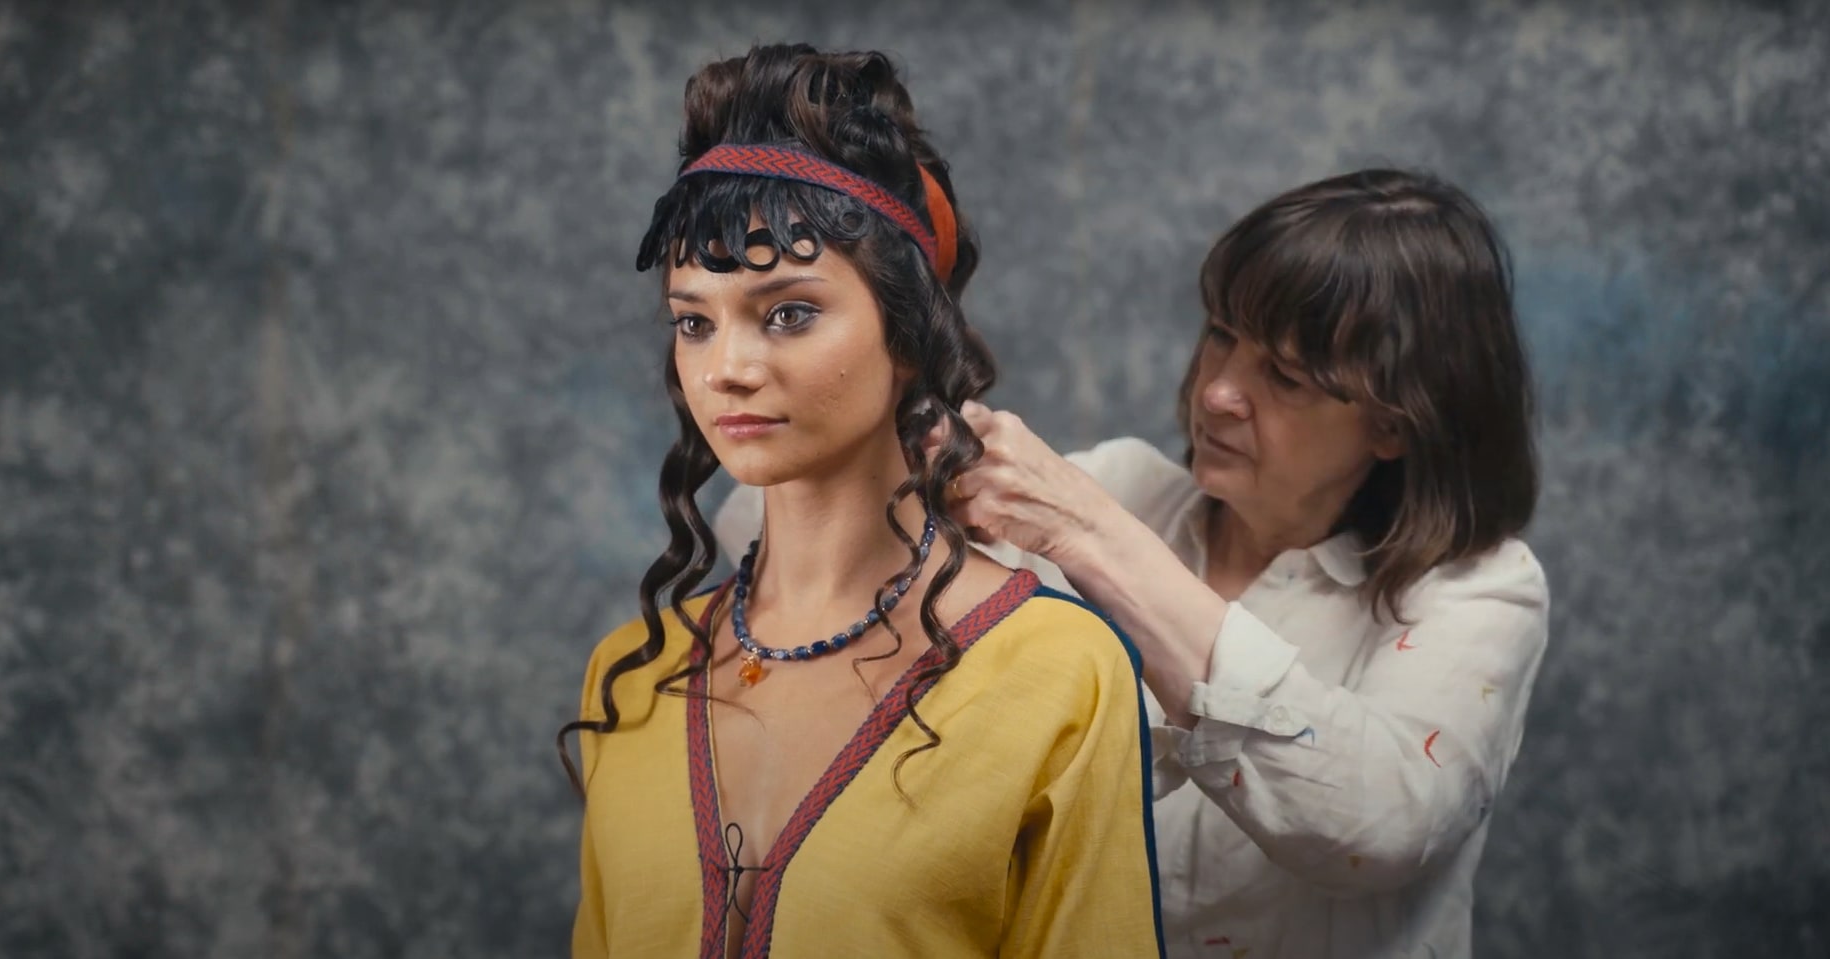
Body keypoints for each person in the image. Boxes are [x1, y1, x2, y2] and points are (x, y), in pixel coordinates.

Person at [720, 167, 1549, 958]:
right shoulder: (1129, 483)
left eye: (1286, 377)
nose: (1219, 390)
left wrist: (1084, 531)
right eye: (1222, 336)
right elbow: (758, 526)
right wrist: (864, 413)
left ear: (1395, 424)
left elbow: (1376, 824)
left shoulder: (1479, 592)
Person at [564, 44, 1165, 959]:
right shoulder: (635, 677)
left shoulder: (1055, 674)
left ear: (911, 333)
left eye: (788, 312)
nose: (726, 368)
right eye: (695, 320)